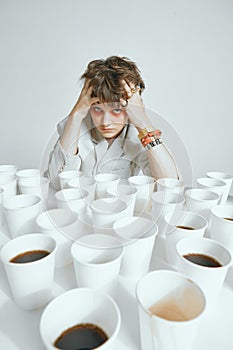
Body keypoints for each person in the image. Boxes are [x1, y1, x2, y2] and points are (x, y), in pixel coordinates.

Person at [46, 56, 180, 189]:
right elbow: (56, 183)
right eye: (97, 108)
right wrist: (76, 115)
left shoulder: (136, 133)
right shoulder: (76, 126)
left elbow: (170, 186)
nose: (105, 122)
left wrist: (142, 121)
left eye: (116, 110)